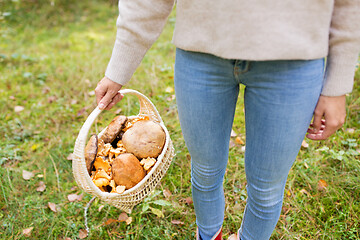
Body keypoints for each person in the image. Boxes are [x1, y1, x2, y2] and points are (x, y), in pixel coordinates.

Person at [94, 1, 360, 239]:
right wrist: (119, 68)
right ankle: (210, 236)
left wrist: (337, 85)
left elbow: (348, 5)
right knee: (205, 172)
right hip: (202, 53)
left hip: (292, 63)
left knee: (266, 188)